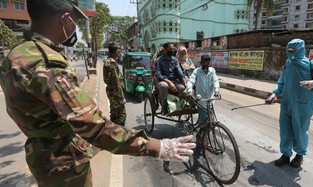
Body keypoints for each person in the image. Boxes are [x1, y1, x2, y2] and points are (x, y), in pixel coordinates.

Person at [0, 1, 195, 186]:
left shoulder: (16, 54)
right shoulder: (47, 63)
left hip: (42, 155)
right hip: (64, 162)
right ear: (65, 19)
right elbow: (92, 125)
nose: (74, 28)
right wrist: (157, 147)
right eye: (75, 23)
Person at [265, 38, 313, 168]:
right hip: (286, 103)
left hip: (303, 104)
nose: (290, 53)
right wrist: (274, 94)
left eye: (293, 51)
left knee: (300, 130)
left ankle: (299, 155)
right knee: (285, 130)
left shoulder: (312, 64)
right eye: (288, 51)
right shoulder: (288, 64)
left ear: (300, 50)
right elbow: (281, 83)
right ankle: (285, 155)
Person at [154, 42, 187, 115]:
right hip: (163, 80)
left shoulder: (175, 60)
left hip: (174, 80)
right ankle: (164, 106)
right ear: (165, 50)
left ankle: (177, 104)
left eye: (172, 49)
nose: (172, 50)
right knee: (163, 86)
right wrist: (169, 83)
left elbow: (179, 72)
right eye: (170, 49)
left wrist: (185, 83)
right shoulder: (159, 60)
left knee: (182, 88)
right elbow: (158, 75)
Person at [187, 54, 220, 124]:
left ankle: (207, 131)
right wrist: (190, 91)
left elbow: (215, 81)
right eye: (205, 62)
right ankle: (200, 132)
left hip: (210, 99)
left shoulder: (212, 70)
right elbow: (191, 81)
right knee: (203, 120)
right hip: (201, 99)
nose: (206, 64)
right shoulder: (197, 71)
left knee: (212, 119)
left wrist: (216, 91)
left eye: (208, 62)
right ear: (201, 63)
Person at [103, 42, 126, 126]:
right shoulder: (111, 63)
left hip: (112, 92)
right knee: (121, 116)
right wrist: (121, 97)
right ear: (117, 51)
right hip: (115, 93)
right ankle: (119, 134)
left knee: (114, 113)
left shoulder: (108, 61)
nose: (119, 53)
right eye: (119, 51)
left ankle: (113, 132)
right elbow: (116, 82)